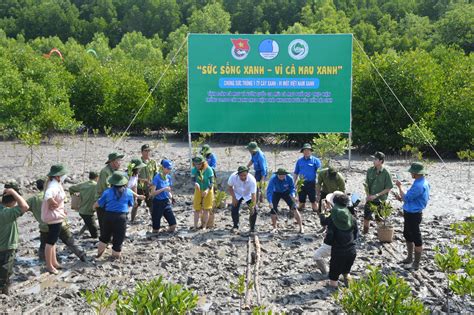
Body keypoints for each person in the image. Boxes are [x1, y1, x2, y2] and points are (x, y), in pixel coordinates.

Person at [28, 179, 86, 261]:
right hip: (60, 223)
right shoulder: (55, 193)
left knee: (44, 245)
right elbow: (65, 200)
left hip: (45, 227)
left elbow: (23, 208)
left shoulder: (33, 199)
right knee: (70, 242)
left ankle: (44, 262)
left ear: (37, 187)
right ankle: (83, 256)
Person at [95, 172, 143, 259]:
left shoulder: (107, 192)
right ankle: (115, 256)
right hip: (121, 217)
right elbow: (131, 204)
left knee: (104, 237)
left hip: (108, 216)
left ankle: (99, 255)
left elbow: (98, 204)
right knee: (119, 238)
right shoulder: (128, 192)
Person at [395, 162, 430, 271]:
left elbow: (406, 198)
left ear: (416, 173)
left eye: (412, 172)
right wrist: (402, 197)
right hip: (411, 211)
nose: (411, 174)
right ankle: (409, 258)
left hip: (413, 214)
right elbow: (413, 198)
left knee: (416, 237)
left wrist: (400, 187)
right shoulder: (421, 182)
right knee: (407, 234)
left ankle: (416, 263)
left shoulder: (419, 185)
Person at [0, 183, 29, 295]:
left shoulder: (4, 210)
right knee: (5, 277)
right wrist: (13, 192)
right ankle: (4, 295)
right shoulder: (7, 213)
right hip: (6, 249)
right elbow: (25, 206)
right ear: (13, 201)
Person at [325, 193, 358, 288]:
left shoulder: (333, 218)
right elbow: (356, 234)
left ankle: (333, 293)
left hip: (338, 252)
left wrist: (324, 211)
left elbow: (328, 235)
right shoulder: (352, 217)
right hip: (351, 251)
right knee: (346, 272)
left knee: (333, 278)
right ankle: (350, 291)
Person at [41, 164, 68, 274]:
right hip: (54, 217)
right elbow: (48, 195)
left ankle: (54, 262)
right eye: (62, 175)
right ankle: (49, 266)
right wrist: (51, 201)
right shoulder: (53, 185)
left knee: (53, 240)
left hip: (56, 216)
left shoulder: (56, 183)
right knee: (50, 242)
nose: (64, 176)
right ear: (57, 176)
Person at [313, 190, 345, 275]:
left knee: (317, 255)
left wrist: (323, 211)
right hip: (345, 242)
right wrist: (330, 209)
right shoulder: (345, 211)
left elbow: (323, 222)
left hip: (332, 242)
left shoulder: (335, 213)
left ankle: (326, 273)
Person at [363, 151, 393, 234]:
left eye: (375, 159)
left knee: (379, 219)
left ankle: (381, 235)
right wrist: (368, 195)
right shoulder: (370, 171)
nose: (373, 161)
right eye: (373, 159)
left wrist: (376, 195)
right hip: (370, 199)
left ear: (381, 161)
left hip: (381, 200)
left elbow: (388, 187)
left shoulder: (386, 173)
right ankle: (365, 232)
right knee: (366, 217)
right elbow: (366, 185)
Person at [266, 168, 302, 233]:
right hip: (276, 192)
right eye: (280, 176)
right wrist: (270, 202)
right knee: (273, 209)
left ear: (285, 175)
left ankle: (301, 227)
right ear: (277, 175)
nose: (282, 177)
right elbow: (269, 191)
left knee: (294, 208)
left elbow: (292, 188)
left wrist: (293, 195)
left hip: (286, 192)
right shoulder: (273, 179)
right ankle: (275, 227)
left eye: (283, 175)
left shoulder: (289, 178)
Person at [96, 152, 124, 233]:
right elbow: (106, 188)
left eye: (120, 160)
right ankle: (104, 241)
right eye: (118, 160)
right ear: (112, 162)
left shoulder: (116, 171)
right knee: (104, 224)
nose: (120, 162)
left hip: (112, 200)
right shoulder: (105, 171)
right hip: (104, 201)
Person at [68, 172, 99, 239]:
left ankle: (80, 233)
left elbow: (71, 189)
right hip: (89, 211)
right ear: (97, 177)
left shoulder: (83, 184)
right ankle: (94, 238)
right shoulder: (97, 186)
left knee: (88, 222)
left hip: (81, 209)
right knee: (93, 227)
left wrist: (74, 197)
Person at [228, 166, 257, 234]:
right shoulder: (233, 177)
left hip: (248, 195)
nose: (243, 177)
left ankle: (252, 228)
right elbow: (229, 187)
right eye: (241, 175)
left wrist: (252, 206)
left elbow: (253, 194)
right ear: (238, 174)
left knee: (254, 210)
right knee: (234, 208)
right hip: (237, 194)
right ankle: (235, 226)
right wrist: (234, 197)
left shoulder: (252, 180)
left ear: (247, 173)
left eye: (245, 175)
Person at [150, 160, 177, 233]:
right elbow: (153, 193)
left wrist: (171, 197)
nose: (169, 170)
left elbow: (168, 190)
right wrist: (163, 189)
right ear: (163, 168)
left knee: (173, 225)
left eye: (170, 169)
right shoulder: (157, 177)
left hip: (166, 202)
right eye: (168, 169)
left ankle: (164, 233)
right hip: (157, 203)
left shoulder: (168, 177)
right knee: (156, 229)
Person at [293, 143, 322, 213]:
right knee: (301, 201)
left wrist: (318, 183)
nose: (306, 152)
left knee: (313, 202)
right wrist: (294, 182)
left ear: (311, 151)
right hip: (301, 183)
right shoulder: (299, 161)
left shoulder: (316, 160)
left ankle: (316, 211)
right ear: (303, 151)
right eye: (305, 150)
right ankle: (301, 208)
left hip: (312, 183)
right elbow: (296, 172)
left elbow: (319, 172)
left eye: (308, 150)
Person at [134, 144, 158, 222]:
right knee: (136, 204)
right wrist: (142, 180)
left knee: (151, 205)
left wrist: (153, 184)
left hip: (150, 188)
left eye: (148, 150)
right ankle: (132, 220)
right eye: (145, 151)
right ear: (141, 152)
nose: (147, 152)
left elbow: (156, 175)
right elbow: (132, 176)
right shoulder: (137, 162)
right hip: (139, 188)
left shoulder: (153, 162)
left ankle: (154, 220)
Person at [191, 155, 214, 230]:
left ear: (203, 163)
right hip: (198, 189)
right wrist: (195, 183)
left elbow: (212, 182)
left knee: (206, 209)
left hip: (207, 189)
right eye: (196, 164)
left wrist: (207, 190)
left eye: (199, 164)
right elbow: (193, 179)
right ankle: (195, 226)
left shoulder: (209, 169)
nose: (197, 166)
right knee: (197, 208)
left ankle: (204, 226)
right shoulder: (194, 170)